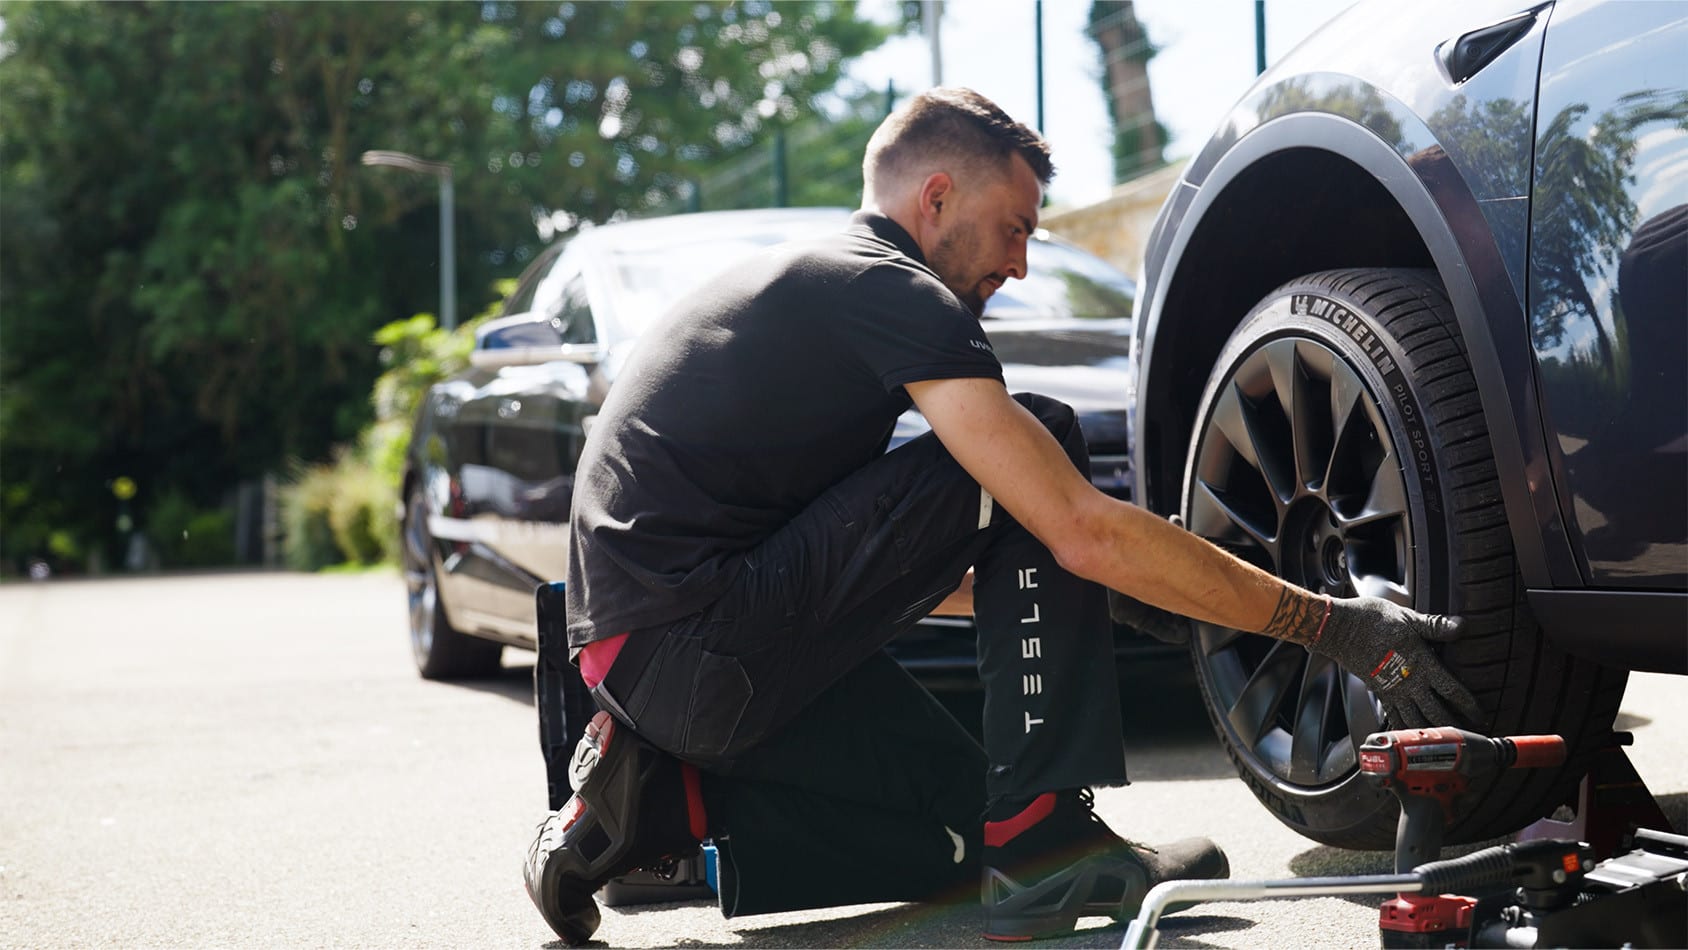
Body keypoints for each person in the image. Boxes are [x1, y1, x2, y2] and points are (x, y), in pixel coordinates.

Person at [523, 87, 1482, 944]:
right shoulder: (887, 288)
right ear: (934, 198)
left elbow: (887, 577)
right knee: (1045, 435)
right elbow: (1079, 525)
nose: (1021, 264)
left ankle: (642, 804)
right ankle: (1048, 836)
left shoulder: (813, 289)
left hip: (656, 665)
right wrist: (1335, 625)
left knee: (965, 835)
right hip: (699, 644)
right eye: (1014, 227)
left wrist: (1096, 598)